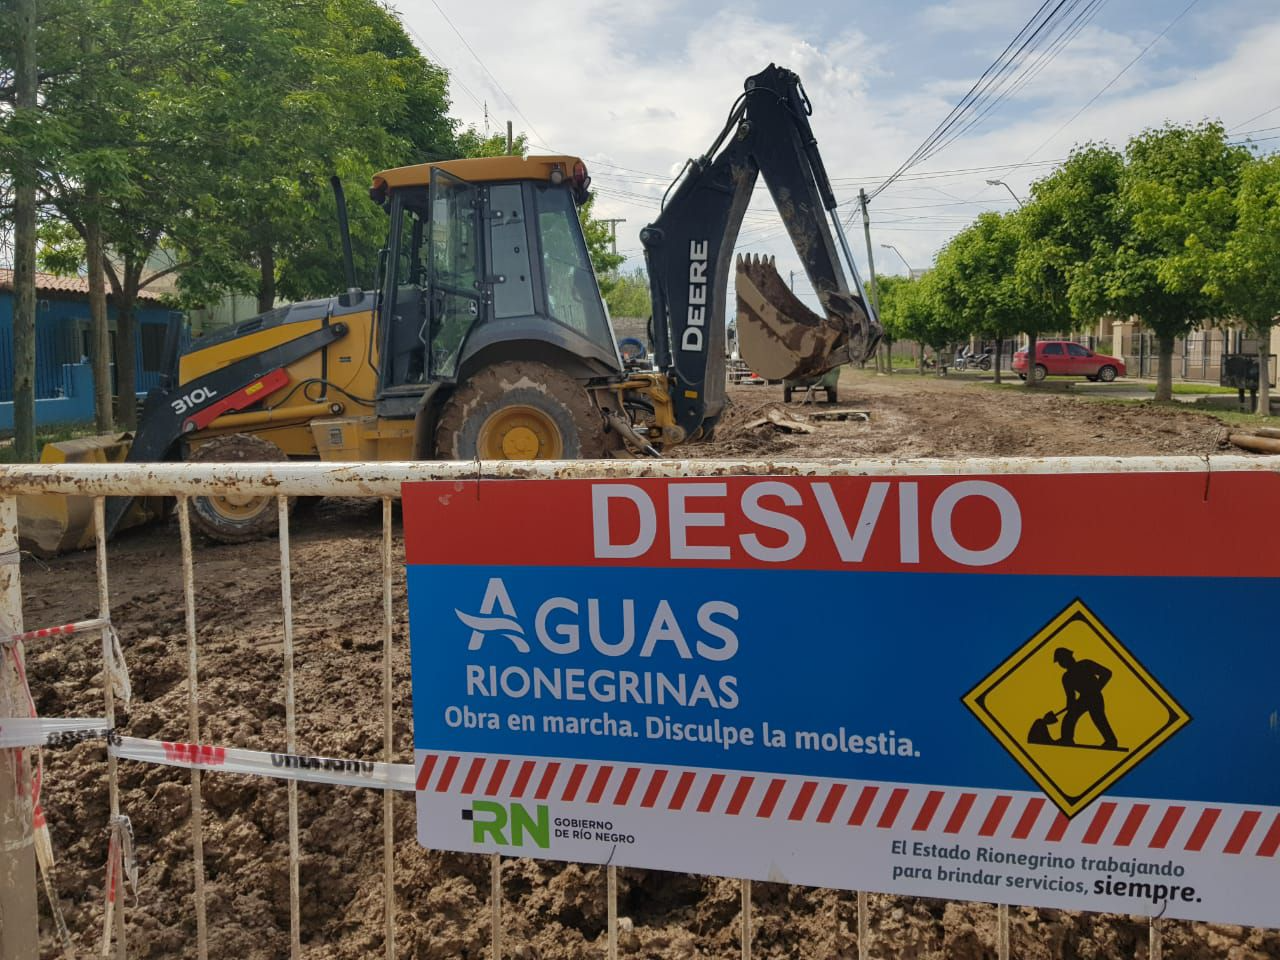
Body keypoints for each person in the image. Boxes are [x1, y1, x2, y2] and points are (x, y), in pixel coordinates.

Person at [1053, 647, 1118, 748]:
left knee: (1099, 719)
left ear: (1069, 657)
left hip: (1095, 697)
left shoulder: (1086, 664)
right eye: (1060, 662)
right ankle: (1066, 739)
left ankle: (1111, 741)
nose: (1061, 664)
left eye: (1061, 660)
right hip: (1083, 698)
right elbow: (1070, 695)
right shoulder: (1066, 677)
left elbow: (1107, 673)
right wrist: (1070, 705)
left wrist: (1097, 688)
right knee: (1069, 717)